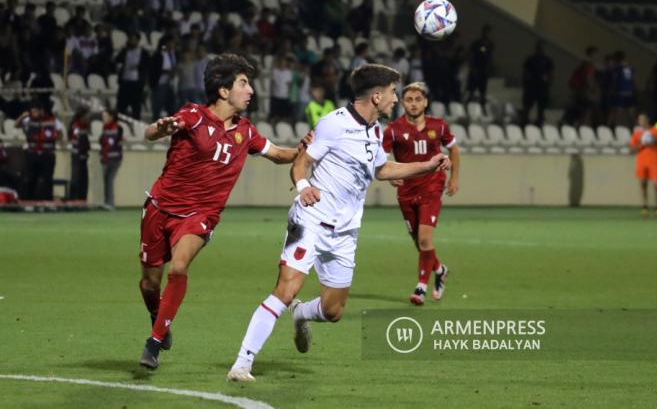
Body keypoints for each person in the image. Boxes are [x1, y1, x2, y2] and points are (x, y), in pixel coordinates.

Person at [227, 64, 451, 382]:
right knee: (286, 288)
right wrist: (304, 189)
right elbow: (302, 163)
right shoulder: (334, 124)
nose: (395, 99)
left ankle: (302, 315)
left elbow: (382, 170)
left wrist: (425, 166)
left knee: (333, 312)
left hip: (345, 231)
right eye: (392, 93)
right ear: (376, 96)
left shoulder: (375, 131)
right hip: (312, 220)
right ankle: (242, 363)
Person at [138, 54, 306, 370]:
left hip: (201, 214)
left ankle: (154, 342)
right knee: (149, 283)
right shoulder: (193, 115)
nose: (251, 90)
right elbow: (152, 133)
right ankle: (158, 316)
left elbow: (279, 154)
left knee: (179, 267)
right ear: (224, 91)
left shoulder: (247, 131)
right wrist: (161, 128)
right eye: (244, 83)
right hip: (160, 208)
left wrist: (309, 152)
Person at [382, 82, 459, 304]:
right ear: (402, 103)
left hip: (431, 187)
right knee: (419, 242)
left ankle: (421, 287)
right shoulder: (394, 130)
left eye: (418, 99)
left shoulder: (439, 126)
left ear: (425, 102)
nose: (414, 104)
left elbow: (453, 149)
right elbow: (382, 157)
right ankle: (439, 269)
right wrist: (389, 174)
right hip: (406, 191)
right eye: (409, 100)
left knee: (425, 239)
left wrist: (453, 177)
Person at [15, 100, 63, 200]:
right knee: (30, 179)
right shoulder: (28, 120)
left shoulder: (52, 120)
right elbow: (16, 125)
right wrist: (23, 116)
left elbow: (60, 133)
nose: (34, 114)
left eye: (36, 111)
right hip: (32, 155)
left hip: (47, 155)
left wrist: (55, 138)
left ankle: (47, 202)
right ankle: (29, 202)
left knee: (47, 180)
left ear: (41, 111)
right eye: (32, 112)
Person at [629, 113, 657, 217]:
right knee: (643, 184)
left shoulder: (655, 131)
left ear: (648, 120)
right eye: (640, 120)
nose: (642, 121)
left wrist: (655, 141)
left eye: (643, 119)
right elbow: (631, 150)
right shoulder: (636, 133)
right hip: (641, 162)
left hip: (654, 161)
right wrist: (641, 143)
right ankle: (644, 206)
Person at [520, 40, 553, 126]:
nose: (541, 49)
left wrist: (548, 82)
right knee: (527, 107)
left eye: (543, 48)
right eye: (540, 47)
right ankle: (524, 124)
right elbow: (525, 73)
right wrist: (525, 84)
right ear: (536, 48)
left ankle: (539, 124)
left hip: (542, 88)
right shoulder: (530, 59)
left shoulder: (547, 60)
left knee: (541, 109)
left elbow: (550, 74)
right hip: (531, 87)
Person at [99, 109, 123, 209]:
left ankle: (110, 203)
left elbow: (114, 142)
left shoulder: (118, 128)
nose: (103, 118)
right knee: (105, 180)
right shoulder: (104, 127)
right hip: (106, 158)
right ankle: (106, 202)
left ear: (111, 117)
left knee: (109, 180)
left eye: (105, 116)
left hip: (114, 158)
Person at [69, 106, 91, 200]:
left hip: (83, 156)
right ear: (82, 116)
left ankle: (82, 200)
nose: (88, 118)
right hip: (77, 156)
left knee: (84, 179)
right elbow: (77, 141)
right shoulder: (76, 126)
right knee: (77, 179)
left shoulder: (83, 126)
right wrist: (81, 153)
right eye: (87, 116)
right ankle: (75, 200)